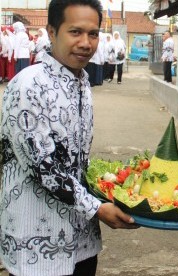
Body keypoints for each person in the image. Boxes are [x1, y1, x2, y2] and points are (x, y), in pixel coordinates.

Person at [0, 1, 138, 275]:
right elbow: (44, 167)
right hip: (36, 239)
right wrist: (98, 208)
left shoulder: (82, 84)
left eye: (93, 33)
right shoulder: (28, 85)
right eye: (75, 32)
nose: (86, 43)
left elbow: (76, 160)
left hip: (82, 239)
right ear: (52, 32)